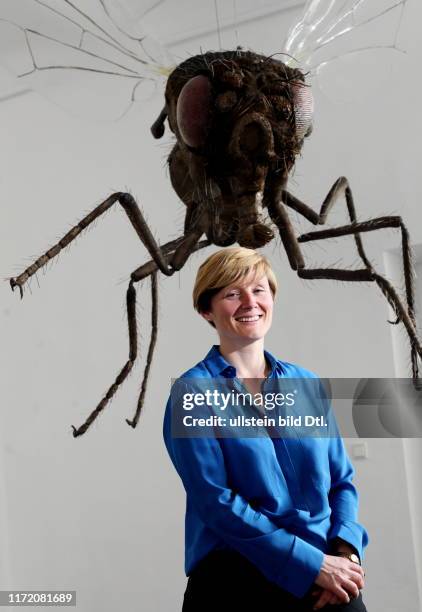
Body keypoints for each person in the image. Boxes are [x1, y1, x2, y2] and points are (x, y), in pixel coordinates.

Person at [163, 247, 368, 611]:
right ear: (206, 310)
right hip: (235, 578)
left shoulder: (307, 383)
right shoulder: (191, 393)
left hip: (326, 572)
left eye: (259, 290)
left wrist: (347, 552)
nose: (249, 302)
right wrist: (310, 564)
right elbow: (215, 501)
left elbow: (342, 481)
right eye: (231, 293)